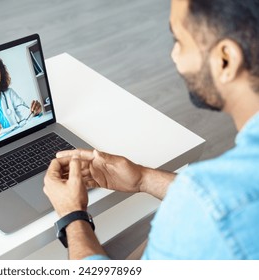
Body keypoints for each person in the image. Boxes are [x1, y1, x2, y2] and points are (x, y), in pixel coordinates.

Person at [43, 0, 259, 260]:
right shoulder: (219, 195)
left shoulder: (207, 211)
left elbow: (215, 207)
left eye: (178, 40)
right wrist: (143, 178)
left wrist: (72, 215)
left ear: (225, 59)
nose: (174, 55)